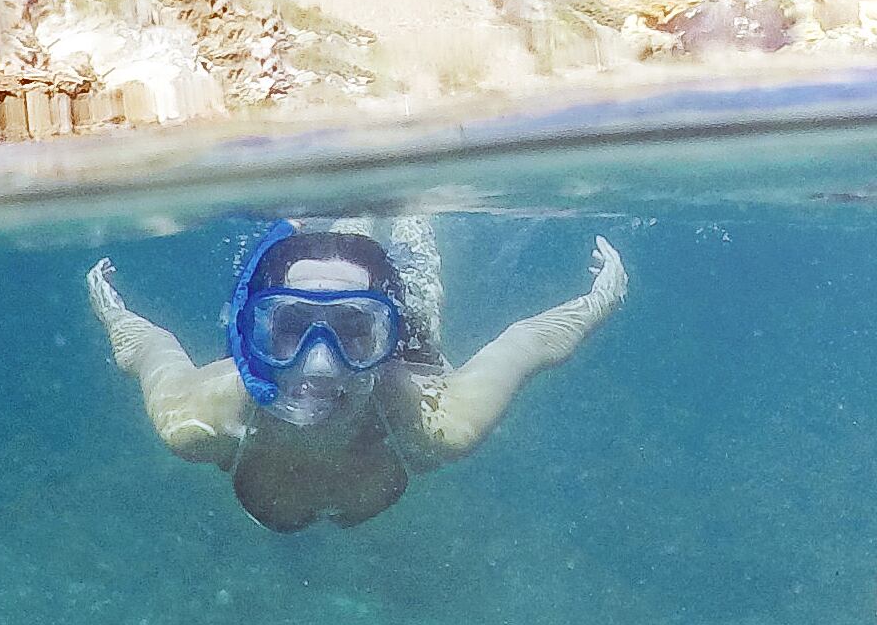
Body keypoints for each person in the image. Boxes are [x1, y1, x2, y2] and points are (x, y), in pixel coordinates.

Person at [87, 218, 627, 531]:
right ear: (248, 336)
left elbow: (526, 344)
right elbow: (150, 350)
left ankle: (397, 217)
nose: (319, 363)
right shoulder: (201, 418)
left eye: (353, 329)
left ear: (382, 342)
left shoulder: (433, 414)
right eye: (290, 324)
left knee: (411, 261)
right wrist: (113, 315)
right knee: (349, 236)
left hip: (405, 363)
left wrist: (600, 301)